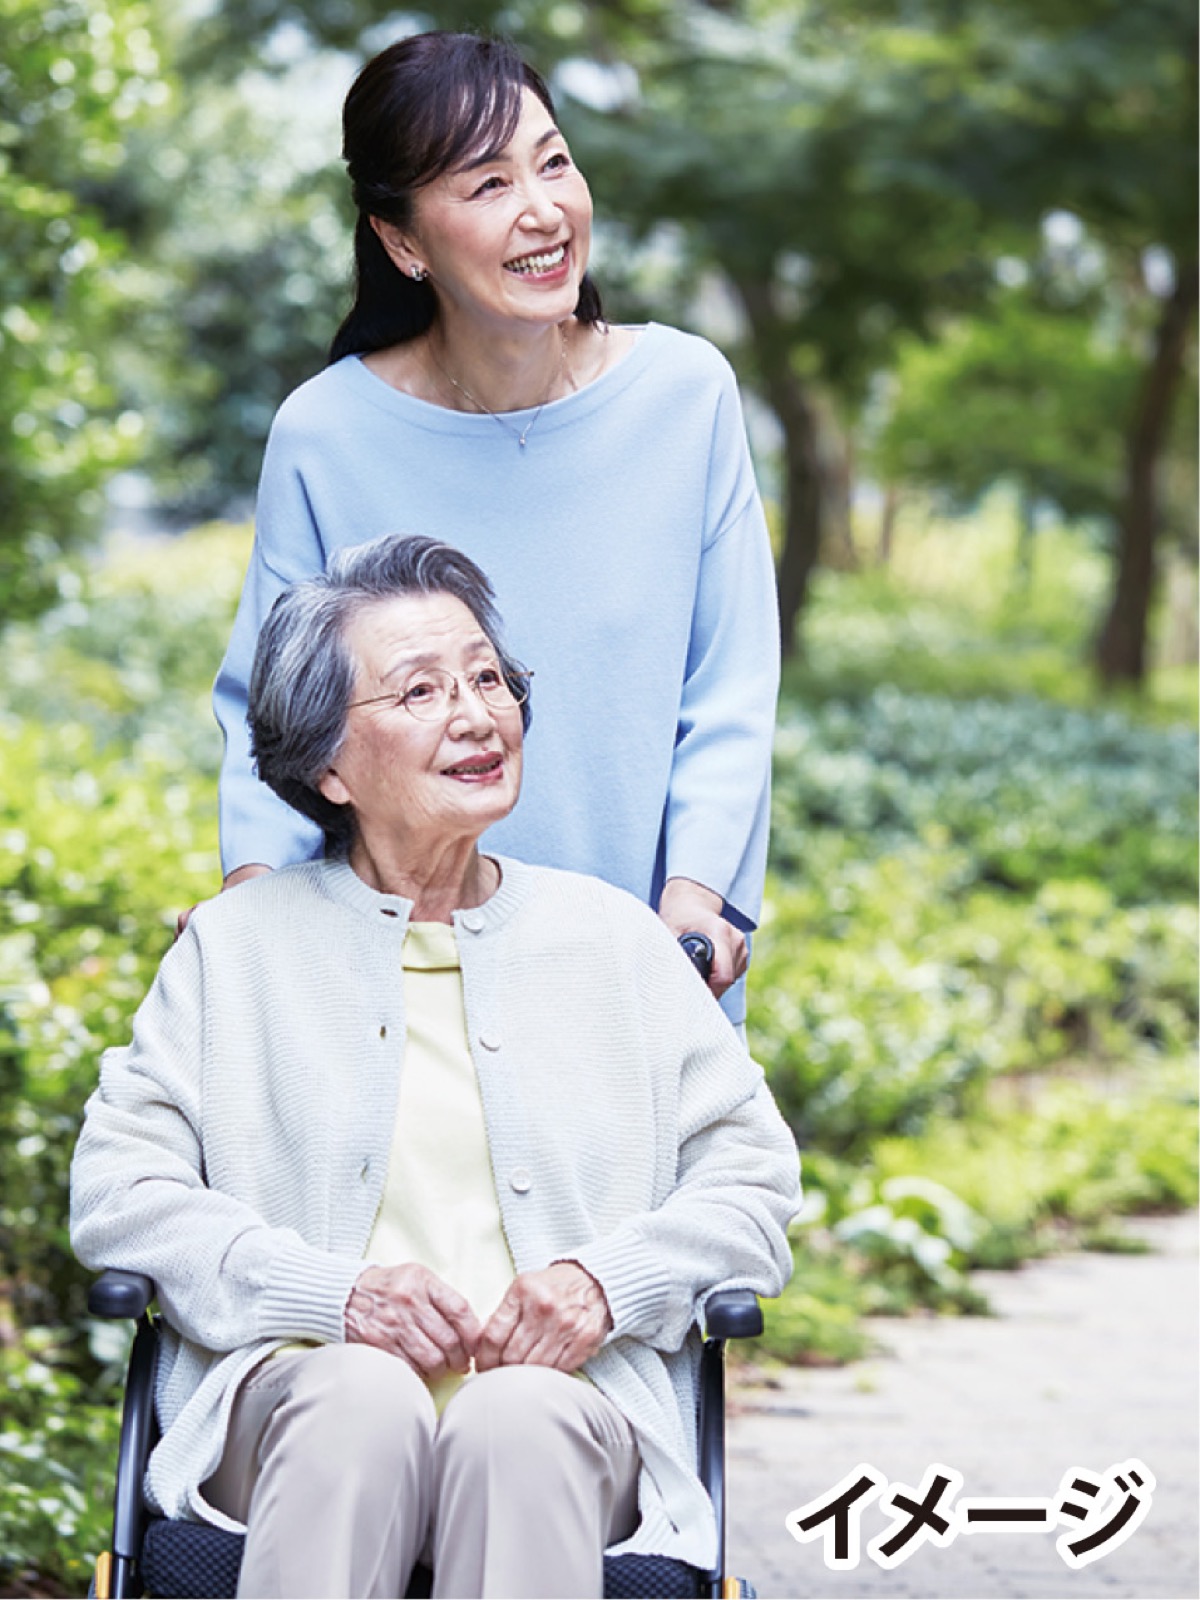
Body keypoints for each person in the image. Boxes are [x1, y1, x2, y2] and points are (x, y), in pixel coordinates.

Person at [72, 535, 801, 1599]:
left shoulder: (615, 941)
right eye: (420, 689)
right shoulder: (235, 951)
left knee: (517, 1413)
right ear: (327, 763)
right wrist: (333, 1296)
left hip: (571, 1413)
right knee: (358, 1395)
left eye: (488, 678)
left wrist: (607, 1284)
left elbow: (754, 1184)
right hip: (293, 1411)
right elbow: (119, 1195)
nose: (476, 712)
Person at [211, 29, 780, 1025]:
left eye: (553, 162)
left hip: (644, 972)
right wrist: (253, 900)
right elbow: (277, 716)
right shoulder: (326, 433)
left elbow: (728, 688)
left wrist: (697, 895)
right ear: (402, 240)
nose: (543, 209)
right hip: (398, 982)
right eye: (486, 185)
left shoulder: (685, 396)